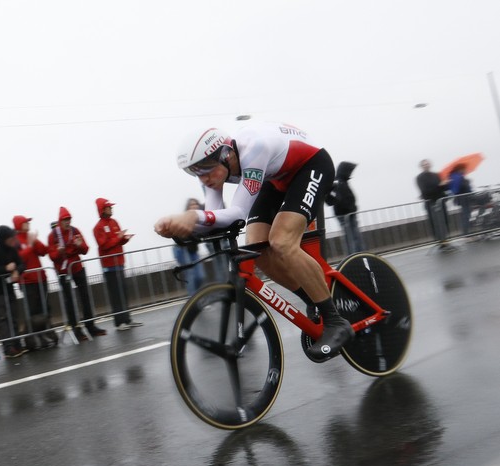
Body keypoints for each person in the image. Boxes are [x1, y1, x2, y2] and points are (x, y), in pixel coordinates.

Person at [155, 123, 354, 360]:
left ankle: (335, 321)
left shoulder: (254, 149)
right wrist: (182, 228)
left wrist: (193, 217)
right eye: (195, 171)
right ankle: (314, 300)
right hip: (275, 178)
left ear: (226, 154)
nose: (204, 178)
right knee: (257, 249)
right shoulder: (212, 175)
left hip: (311, 165)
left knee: (281, 241)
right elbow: (215, 217)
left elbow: (238, 212)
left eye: (206, 168)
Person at [48, 207, 107, 341]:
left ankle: (91, 326)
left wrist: (79, 246)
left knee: (85, 297)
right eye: (65, 220)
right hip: (63, 272)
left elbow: (85, 250)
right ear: (60, 220)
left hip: (77, 268)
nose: (67, 222)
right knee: (69, 300)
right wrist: (60, 251)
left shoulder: (75, 231)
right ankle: (76, 329)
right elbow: (52, 255)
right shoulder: (53, 236)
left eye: (69, 219)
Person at [93, 197, 143, 332]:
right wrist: (118, 238)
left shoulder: (114, 222)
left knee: (123, 292)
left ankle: (127, 319)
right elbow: (103, 245)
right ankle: (119, 322)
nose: (111, 209)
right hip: (109, 266)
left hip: (119, 263)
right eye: (109, 207)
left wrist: (124, 239)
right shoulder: (98, 227)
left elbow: (117, 242)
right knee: (115, 294)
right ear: (103, 209)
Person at [0, 225, 30, 358]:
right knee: (2, 319)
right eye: (10, 237)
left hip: (9, 289)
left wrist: (17, 271)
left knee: (14, 317)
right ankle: (8, 347)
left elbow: (22, 263)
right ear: (4, 238)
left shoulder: (12, 249)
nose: (13, 239)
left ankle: (17, 344)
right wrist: (5, 268)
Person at [13, 214, 57, 350]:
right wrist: (31, 245)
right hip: (27, 282)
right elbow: (19, 258)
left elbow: (44, 251)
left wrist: (35, 241)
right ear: (20, 225)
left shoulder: (30, 237)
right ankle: (31, 340)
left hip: (40, 279)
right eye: (26, 222)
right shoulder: (15, 241)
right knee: (32, 311)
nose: (28, 224)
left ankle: (44, 335)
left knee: (44, 308)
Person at [325, 161, 366, 253]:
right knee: (352, 237)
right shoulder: (339, 183)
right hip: (345, 215)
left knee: (353, 236)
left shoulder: (341, 182)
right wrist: (348, 208)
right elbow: (339, 198)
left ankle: (358, 254)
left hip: (348, 214)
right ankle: (355, 255)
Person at [172, 198, 208, 296]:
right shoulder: (185, 218)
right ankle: (194, 301)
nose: (194, 206)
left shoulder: (199, 218)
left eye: (196, 204)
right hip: (182, 248)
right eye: (192, 205)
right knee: (191, 275)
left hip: (192, 250)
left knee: (200, 276)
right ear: (187, 207)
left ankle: (196, 298)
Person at [415, 159, 451, 249]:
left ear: (430, 165)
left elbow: (443, 188)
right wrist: (439, 185)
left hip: (440, 201)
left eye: (427, 164)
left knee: (444, 221)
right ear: (421, 167)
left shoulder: (436, 175)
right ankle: (440, 242)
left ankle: (445, 240)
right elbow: (425, 191)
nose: (426, 165)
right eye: (424, 164)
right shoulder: (420, 178)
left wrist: (446, 184)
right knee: (435, 223)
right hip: (431, 202)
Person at [447, 164, 474, 235]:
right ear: (460, 169)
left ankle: (467, 233)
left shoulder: (456, 177)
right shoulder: (458, 177)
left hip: (463, 199)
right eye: (464, 169)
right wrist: (466, 182)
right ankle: (466, 234)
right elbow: (459, 188)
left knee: (466, 215)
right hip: (463, 199)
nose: (466, 170)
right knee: (466, 216)